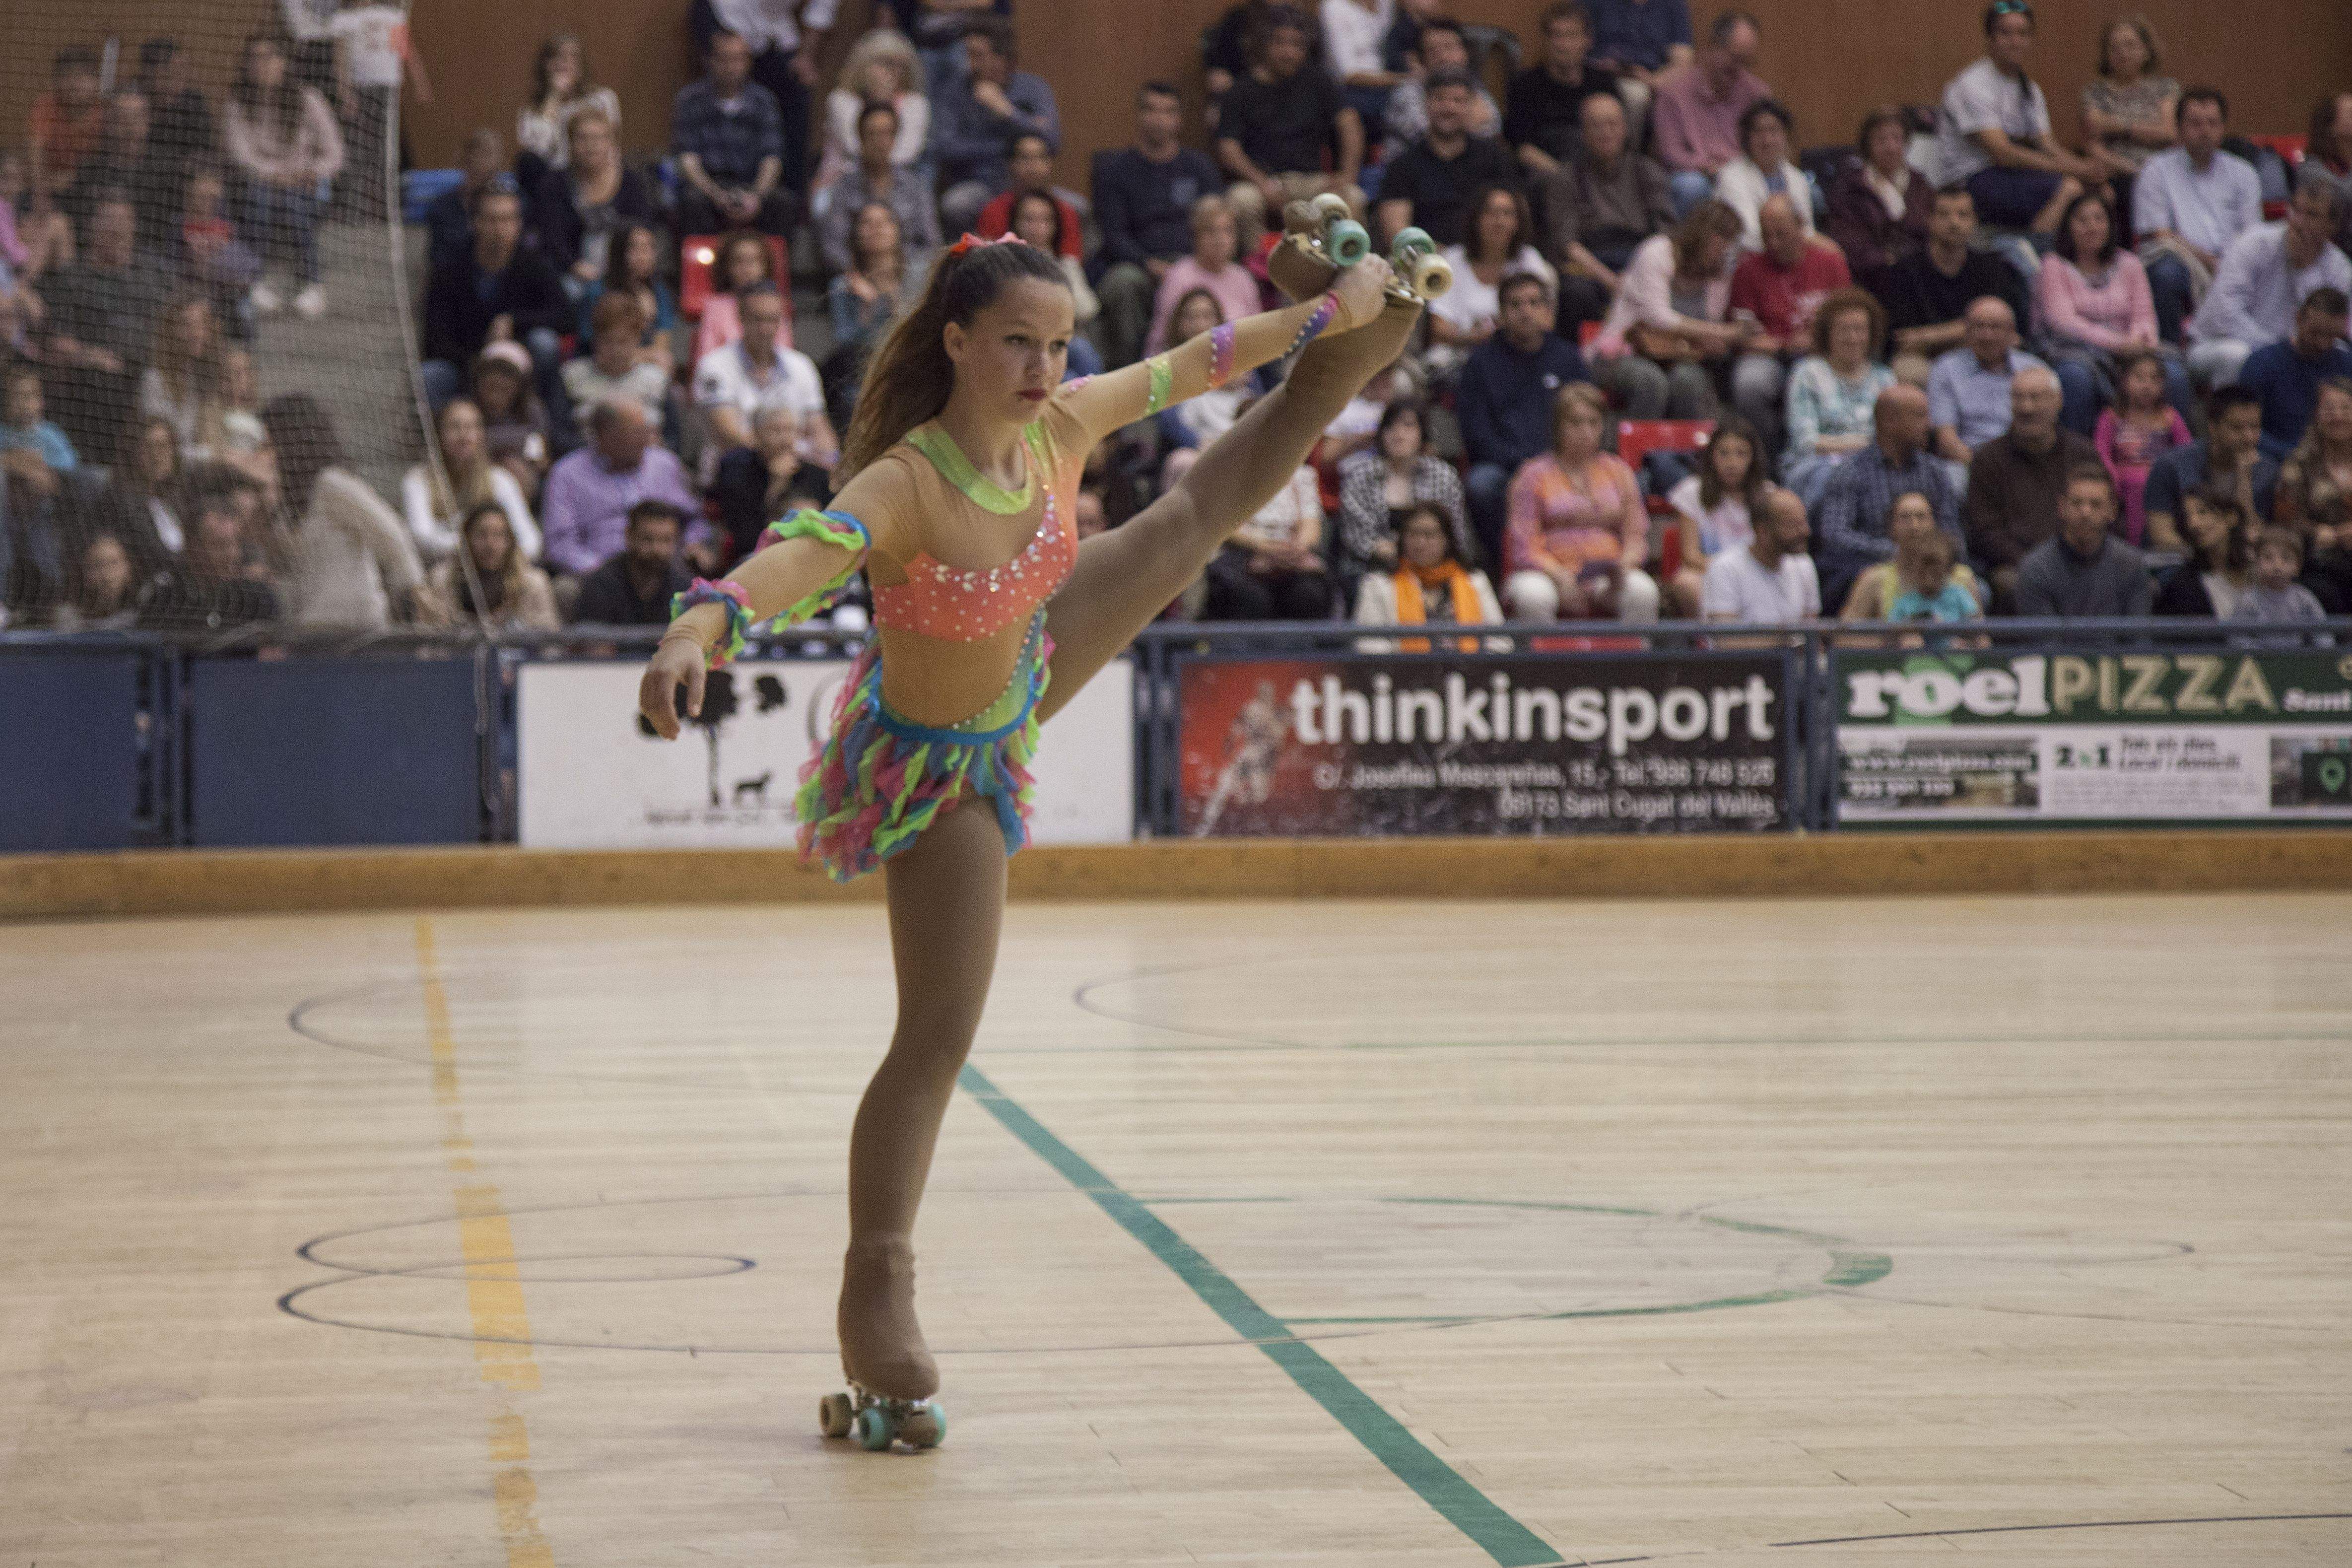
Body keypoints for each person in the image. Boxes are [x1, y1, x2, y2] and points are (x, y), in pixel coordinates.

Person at [638, 230, 1416, 1435]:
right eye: (1017, 342)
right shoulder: (906, 480)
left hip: (1029, 662)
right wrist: (701, 627)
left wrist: (1334, 314)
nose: (1044, 366)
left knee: (1187, 518)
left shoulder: (1061, 427)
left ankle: (1334, 385)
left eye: (1057, 344)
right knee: (940, 1031)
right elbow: (807, 554)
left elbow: (1201, 359)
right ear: (956, 339)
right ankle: (876, 1277)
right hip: (936, 769)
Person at [1926, 0, 2100, 238]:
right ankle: (2033, 254)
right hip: (1971, 180)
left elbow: (2047, 144)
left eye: (2022, 34)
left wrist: (2086, 169)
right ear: (1990, 38)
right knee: (2069, 189)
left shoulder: (2030, 89)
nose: (2014, 41)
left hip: (2011, 175)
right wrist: (2073, 170)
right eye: (2005, 33)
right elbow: (2001, 152)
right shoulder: (1973, 84)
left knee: (2100, 192)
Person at [260, 393, 424, 628]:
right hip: (310, 633)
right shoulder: (284, 503)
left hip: (358, 631)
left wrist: (412, 598)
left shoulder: (331, 484)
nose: (266, 453)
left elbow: (391, 534)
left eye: (271, 443)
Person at [1092, 82, 1225, 370]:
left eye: (1168, 112)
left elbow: (1217, 222)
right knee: (1122, 282)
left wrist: (1192, 264)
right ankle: (1127, 376)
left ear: (1179, 119)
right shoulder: (1115, 169)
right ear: (1139, 116)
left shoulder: (1199, 167)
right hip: (1140, 264)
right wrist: (1148, 264)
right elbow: (1113, 234)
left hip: (1194, 260)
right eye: (1151, 110)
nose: (1159, 120)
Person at [1459, 271, 1589, 568]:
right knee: (1481, 483)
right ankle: (1502, 564)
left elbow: (1589, 415)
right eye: (1516, 305)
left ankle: (1581, 561)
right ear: (1503, 313)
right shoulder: (1480, 363)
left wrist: (1555, 464)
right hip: (1506, 469)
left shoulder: (1567, 358)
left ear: (1547, 311)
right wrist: (1526, 467)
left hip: (1564, 465)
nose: (1526, 312)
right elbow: (1476, 433)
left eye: (1534, 303)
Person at [1502, 382, 1659, 621]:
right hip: (1547, 573)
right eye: (1576, 423)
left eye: (1593, 423)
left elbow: (1636, 534)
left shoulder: (1619, 471)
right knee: (1533, 595)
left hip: (1607, 575)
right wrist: (1560, 577)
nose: (1585, 432)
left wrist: (1623, 567)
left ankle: (1634, 659)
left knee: (1642, 590)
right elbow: (1524, 543)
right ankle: (1538, 660)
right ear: (1558, 428)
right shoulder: (1532, 474)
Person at [34, 192, 168, 468]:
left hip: (152, 374)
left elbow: (172, 324)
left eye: (124, 221)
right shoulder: (73, 278)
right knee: (108, 383)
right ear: (93, 226)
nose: (117, 229)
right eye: (110, 221)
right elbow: (57, 342)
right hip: (97, 385)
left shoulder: (151, 274)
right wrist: (91, 356)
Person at [2035, 188, 2184, 435]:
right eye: (2082, 220)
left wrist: (2140, 342)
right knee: (2075, 377)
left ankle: (2173, 455)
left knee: (2173, 373)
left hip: (2131, 352)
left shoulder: (2129, 263)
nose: (2091, 227)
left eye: (2099, 219)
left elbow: (2144, 315)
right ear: (2068, 227)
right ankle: (2081, 456)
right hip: (2074, 350)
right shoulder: (2053, 265)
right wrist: (2119, 344)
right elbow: (2063, 321)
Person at [1216, 5, 1365, 251]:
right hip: (1261, 181)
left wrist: (1347, 175)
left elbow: (1350, 125)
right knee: (1241, 201)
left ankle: (1342, 275)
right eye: (1280, 43)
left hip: (1313, 181)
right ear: (1264, 44)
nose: (1289, 52)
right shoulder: (1241, 90)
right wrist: (1263, 183)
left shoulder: (1319, 81)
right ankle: (1262, 275)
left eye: (1296, 45)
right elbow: (1228, 148)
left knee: (1353, 197)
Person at [418, 179, 570, 411]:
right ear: (475, 222)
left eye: (508, 219)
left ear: (519, 224)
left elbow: (565, 315)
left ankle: (546, 424)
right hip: (467, 366)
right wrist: (479, 359)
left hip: (521, 366)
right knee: (430, 375)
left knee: (545, 342)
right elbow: (434, 337)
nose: (500, 228)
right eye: (492, 219)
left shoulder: (534, 264)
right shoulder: (451, 269)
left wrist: (513, 321)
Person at [223, 32, 343, 320]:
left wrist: (313, 172)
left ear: (284, 63)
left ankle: (312, 284)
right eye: (254, 59)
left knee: (294, 202)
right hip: (258, 185)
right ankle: (255, 280)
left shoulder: (308, 99)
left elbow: (335, 151)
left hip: (305, 184)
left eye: (269, 57)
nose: (261, 65)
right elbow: (240, 155)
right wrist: (277, 176)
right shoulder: (238, 103)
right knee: (260, 198)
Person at [2186, 183, 2352, 390]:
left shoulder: (2338, 268)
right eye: (2296, 210)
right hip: (2218, 345)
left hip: (2299, 354)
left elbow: (2337, 327)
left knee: (2343, 357)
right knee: (2241, 356)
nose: (2298, 222)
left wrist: (2304, 269)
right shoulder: (2254, 243)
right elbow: (2227, 315)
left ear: (2332, 226)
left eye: (2312, 215)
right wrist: (2278, 351)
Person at [1591, 198, 1744, 420]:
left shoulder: (1719, 275)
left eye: (1729, 244)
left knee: (1689, 381)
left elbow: (1709, 327)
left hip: (1682, 357)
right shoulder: (1657, 251)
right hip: (1624, 351)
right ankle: (1634, 451)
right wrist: (1723, 332)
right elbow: (1657, 317)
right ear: (1703, 235)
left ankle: (1683, 453)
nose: (1725, 251)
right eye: (1721, 241)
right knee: (1650, 382)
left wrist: (1714, 340)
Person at [1815, 384, 1963, 612]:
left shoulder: (1935, 472)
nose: (1929, 425)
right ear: (1888, 422)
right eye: (1919, 416)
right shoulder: (1851, 472)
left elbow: (1952, 532)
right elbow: (1835, 535)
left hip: (1933, 568)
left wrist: (1930, 555)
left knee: (1975, 585)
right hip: (1871, 566)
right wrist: (1894, 553)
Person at [1966, 365, 2101, 609]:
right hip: (2016, 565)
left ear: (2058, 402)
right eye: (2019, 398)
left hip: (2081, 558)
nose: (2026, 408)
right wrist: (2039, 565)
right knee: (2015, 584)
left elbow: (2106, 513)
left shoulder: (2083, 454)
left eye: (2035, 398)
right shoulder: (1988, 459)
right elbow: (1983, 533)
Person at [2133, 87, 2260, 345]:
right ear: (2179, 128)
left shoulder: (2243, 174)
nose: (2205, 132)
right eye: (2195, 124)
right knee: (2165, 272)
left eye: (2213, 124)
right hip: (2181, 261)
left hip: (2233, 262)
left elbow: (2253, 235)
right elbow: (2157, 236)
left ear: (2224, 128)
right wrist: (2208, 261)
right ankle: (2170, 355)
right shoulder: (2156, 170)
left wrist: (2228, 264)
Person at [1873, 184, 2032, 386]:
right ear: (1929, 220)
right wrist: (1968, 331)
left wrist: (1930, 336)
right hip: (1925, 362)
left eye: (1963, 215)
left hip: (1982, 357)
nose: (1954, 223)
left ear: (1974, 222)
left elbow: (2009, 332)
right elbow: (1904, 341)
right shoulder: (1904, 271)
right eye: (1944, 215)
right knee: (1907, 371)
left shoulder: (1994, 269)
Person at [1728, 193, 1852, 449]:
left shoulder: (1831, 263)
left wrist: (1818, 340)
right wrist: (1782, 344)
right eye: (1766, 235)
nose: (1773, 243)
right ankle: (1768, 459)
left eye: (1780, 234)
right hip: (1770, 355)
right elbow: (1742, 335)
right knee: (1750, 383)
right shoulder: (1748, 270)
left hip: (1823, 351)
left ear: (1801, 224)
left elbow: (1850, 319)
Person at [540, 397, 708, 581]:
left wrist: (693, 543)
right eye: (637, 433)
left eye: (647, 431)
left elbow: (694, 519)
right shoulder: (567, 474)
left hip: (664, 565)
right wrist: (604, 573)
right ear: (605, 436)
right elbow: (560, 543)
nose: (646, 440)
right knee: (566, 590)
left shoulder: (664, 464)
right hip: (597, 573)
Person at [688, 0, 836, 207]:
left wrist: (807, 55)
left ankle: (791, 207)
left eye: (738, 60)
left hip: (779, 35)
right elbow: (686, 155)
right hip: (725, 15)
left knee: (783, 128)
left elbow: (822, 7)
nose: (733, 67)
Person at [1542, 91, 1672, 309]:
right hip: (1591, 264)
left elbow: (1665, 235)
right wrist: (1611, 281)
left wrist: (1641, 275)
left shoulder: (1647, 170)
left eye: (1613, 124)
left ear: (1625, 129)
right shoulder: (1565, 178)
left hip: (1640, 259)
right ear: (1583, 132)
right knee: (1575, 293)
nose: (1606, 133)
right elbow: (1567, 244)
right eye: (1597, 126)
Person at [932, 17, 1061, 235]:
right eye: (968, 54)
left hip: (1030, 185)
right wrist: (1004, 148)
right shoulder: (954, 92)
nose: (969, 63)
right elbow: (946, 147)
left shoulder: (1033, 88)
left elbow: (1053, 141)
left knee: (1078, 208)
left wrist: (1008, 112)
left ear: (1001, 58)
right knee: (956, 205)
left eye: (977, 55)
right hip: (979, 182)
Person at [1374, 70, 1520, 253]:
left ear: (1471, 106)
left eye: (1458, 101)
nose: (1449, 108)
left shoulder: (1495, 158)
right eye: (1440, 99)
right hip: (1427, 264)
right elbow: (1397, 233)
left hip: (1486, 261)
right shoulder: (1403, 165)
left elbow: (1511, 218)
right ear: (1426, 104)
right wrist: (1445, 259)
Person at [672, 29, 796, 240]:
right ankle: (698, 272)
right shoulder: (690, 100)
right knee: (690, 203)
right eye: (724, 59)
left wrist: (756, 196)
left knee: (783, 202)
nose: (731, 67)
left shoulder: (764, 101)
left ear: (748, 62)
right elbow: (687, 160)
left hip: (752, 184)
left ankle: (774, 271)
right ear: (710, 61)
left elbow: (772, 159)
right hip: (709, 187)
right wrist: (716, 195)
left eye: (738, 59)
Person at [1427, 185, 1561, 378]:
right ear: (1476, 219)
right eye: (1491, 213)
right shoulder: (1452, 260)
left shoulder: (1530, 260)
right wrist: (1478, 337)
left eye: (1508, 214)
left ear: (1518, 222)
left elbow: (1546, 323)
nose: (1500, 222)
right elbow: (1438, 330)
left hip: (1520, 357)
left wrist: (1502, 337)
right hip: (1461, 359)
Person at [1782, 288, 1897, 507]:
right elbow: (1806, 442)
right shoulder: (1807, 374)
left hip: (1874, 469)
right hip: (1817, 467)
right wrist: (1865, 447)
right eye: (1844, 329)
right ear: (1828, 334)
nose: (1853, 338)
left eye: (1860, 329)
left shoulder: (1885, 379)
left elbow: (1891, 441)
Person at [694, 281, 832, 462]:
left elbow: (819, 429)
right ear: (741, 318)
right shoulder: (714, 366)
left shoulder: (802, 365)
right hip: (736, 473)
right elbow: (729, 434)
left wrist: (832, 462)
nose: (766, 329)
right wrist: (782, 457)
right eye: (757, 319)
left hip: (796, 469)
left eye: (773, 320)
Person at [1336, 398, 1471, 581]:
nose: (1399, 435)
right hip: (1373, 568)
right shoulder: (1361, 477)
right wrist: (1396, 551)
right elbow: (1356, 538)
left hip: (1435, 565)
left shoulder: (1444, 476)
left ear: (1422, 434)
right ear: (1381, 435)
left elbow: (1456, 532)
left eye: (1408, 426)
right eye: (1390, 427)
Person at [529, 108, 656, 301]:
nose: (591, 146)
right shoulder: (553, 184)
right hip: (572, 272)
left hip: (625, 272)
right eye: (583, 138)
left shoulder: (632, 182)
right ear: (570, 143)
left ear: (612, 143)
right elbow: (550, 236)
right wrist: (575, 266)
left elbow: (642, 230)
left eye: (599, 138)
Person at [1651, 10, 1769, 217]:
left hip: (1746, 173)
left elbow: (1767, 143)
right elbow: (1671, 155)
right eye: (1734, 59)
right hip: (1701, 175)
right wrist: (1711, 169)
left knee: (1810, 192)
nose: (1739, 70)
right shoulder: (1673, 94)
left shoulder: (1757, 94)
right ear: (1712, 48)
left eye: (1746, 62)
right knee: (1691, 187)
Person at [402, 396, 540, 565]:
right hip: (444, 570)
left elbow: (531, 542)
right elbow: (422, 538)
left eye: (471, 428)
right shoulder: (417, 480)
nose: (463, 436)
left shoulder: (500, 479)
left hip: (496, 571)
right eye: (454, 427)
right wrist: (480, 549)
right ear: (439, 435)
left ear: (481, 435)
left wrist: (499, 555)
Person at [2144, 384, 2278, 554]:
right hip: (2183, 562)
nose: (2248, 437)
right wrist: (2206, 560)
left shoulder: (2267, 471)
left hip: (2241, 563)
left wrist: (2245, 483)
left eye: (2254, 427)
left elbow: (2263, 537)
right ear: (2213, 428)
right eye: (2237, 428)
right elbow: (2161, 533)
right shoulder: (2171, 466)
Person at [1503, 3, 1624, 186]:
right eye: (1557, 36)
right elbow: (1523, 149)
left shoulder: (1604, 82)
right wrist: (1565, 178)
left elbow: (1619, 135)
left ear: (1588, 40)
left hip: (1600, 170)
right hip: (1548, 174)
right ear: (1546, 41)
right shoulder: (1524, 85)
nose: (1564, 45)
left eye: (1572, 36)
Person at [138, 482, 282, 633]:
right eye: (220, 546)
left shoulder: (255, 598)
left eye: (236, 544)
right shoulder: (166, 599)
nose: (232, 555)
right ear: (193, 548)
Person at [1352, 501, 1503, 643]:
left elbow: (1499, 641)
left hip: (1469, 667)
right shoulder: (1378, 585)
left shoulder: (1476, 582)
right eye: (1413, 534)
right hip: (1401, 668)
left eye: (1429, 534)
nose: (1421, 543)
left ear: (1447, 540)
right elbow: (1370, 645)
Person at [819, 102, 941, 276]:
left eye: (887, 133)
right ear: (860, 137)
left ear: (895, 138)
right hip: (859, 276)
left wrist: (897, 269)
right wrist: (854, 275)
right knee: (840, 286)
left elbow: (932, 242)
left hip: (908, 274)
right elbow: (833, 244)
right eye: (872, 133)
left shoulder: (915, 187)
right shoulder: (844, 187)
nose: (880, 141)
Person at [2013, 465, 2151, 617]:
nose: (2085, 513)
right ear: (2062, 507)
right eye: (2077, 503)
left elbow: (2139, 637)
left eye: (2096, 504)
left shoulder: (2132, 565)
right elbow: (2044, 640)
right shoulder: (2036, 568)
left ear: (2112, 510)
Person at [1204, 454, 1330, 619]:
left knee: (1310, 593)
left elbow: (1311, 527)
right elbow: (1223, 526)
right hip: (1243, 552)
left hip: (1291, 555)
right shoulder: (1231, 473)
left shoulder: (1303, 474)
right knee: (1250, 597)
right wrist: (1263, 547)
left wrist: (1296, 548)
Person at [814, 28, 928, 207]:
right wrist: (878, 100)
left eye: (900, 65)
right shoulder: (840, 100)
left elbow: (907, 154)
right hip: (842, 181)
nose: (893, 72)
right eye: (885, 63)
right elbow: (854, 146)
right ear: (863, 65)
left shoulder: (915, 103)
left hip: (896, 183)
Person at [1665, 414, 1767, 613]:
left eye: (1741, 454)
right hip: (1707, 572)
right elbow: (1691, 556)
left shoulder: (1767, 495)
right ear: (1712, 457)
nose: (1732, 463)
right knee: (1686, 583)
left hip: (1755, 574)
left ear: (1753, 459)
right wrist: (1728, 575)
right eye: (1724, 453)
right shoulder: (1691, 492)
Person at [1927, 296, 2047, 465]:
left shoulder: (2034, 369)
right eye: (1979, 327)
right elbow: (1946, 440)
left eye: (1995, 327)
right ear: (1967, 331)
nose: (1987, 335)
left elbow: (2045, 430)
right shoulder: (1946, 369)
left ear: (2012, 332)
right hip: (1966, 462)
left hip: (2024, 462)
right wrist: (1984, 472)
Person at [2237, 289, 2352, 459]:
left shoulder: (2346, 365)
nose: (2322, 343)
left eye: (2331, 336)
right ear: (2299, 319)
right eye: (2316, 333)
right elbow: (2244, 426)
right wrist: (2292, 454)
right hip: (2276, 458)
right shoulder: (2263, 364)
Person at [2094, 349, 2192, 547]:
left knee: (2149, 482)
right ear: (2124, 381)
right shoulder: (2112, 416)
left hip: (2162, 478)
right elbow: (2101, 452)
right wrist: (2112, 477)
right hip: (2123, 481)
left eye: (2154, 380)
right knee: (2137, 481)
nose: (2147, 386)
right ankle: (2134, 546)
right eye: (2139, 378)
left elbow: (2187, 452)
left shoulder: (2170, 417)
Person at [713, 406, 832, 566]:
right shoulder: (737, 473)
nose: (784, 439)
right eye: (776, 431)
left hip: (811, 560)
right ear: (757, 435)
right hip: (756, 561)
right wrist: (776, 484)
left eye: (790, 430)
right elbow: (747, 538)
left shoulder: (817, 475)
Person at [829, 203, 924, 405]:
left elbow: (922, 333)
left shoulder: (918, 278)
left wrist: (892, 302)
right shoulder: (844, 286)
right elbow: (845, 343)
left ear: (898, 230)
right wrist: (868, 308)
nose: (876, 227)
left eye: (885, 221)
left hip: (913, 372)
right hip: (865, 380)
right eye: (867, 223)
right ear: (856, 234)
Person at [1839, 489, 1983, 621]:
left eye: (1921, 517)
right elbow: (1843, 639)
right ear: (1892, 527)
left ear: (1934, 523)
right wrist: (1894, 642)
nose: (1914, 526)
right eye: (1905, 518)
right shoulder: (1873, 579)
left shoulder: (1963, 577)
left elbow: (1982, 640)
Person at [1826, 107, 1935, 281]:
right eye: (1881, 140)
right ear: (1868, 146)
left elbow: (1929, 234)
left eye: (1896, 138)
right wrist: (1888, 260)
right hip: (1870, 276)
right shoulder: (1850, 188)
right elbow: (1850, 241)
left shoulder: (1920, 185)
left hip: (1919, 275)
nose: (1890, 147)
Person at [1145, 196, 1263, 357]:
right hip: (1188, 366)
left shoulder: (1244, 279)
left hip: (1240, 369)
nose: (1220, 240)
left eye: (1227, 231)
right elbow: (1161, 342)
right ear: (1197, 235)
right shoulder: (1178, 277)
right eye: (1211, 231)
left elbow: (1257, 338)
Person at [419, 499, 560, 630]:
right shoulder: (443, 581)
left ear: (510, 541)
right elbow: (431, 644)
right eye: (481, 535)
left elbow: (548, 644)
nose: (490, 545)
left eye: (498, 535)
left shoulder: (533, 584)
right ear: (467, 539)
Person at [2080, 15, 2177, 191]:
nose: (2123, 53)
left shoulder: (2165, 88)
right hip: (2118, 174)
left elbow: (2168, 132)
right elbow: (2093, 144)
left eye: (2130, 45)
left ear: (2146, 51)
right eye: (2114, 48)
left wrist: (2119, 127)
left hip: (2162, 172)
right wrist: (2134, 170)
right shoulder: (2096, 93)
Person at [1009, 193, 1101, 375]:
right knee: (1068, 378)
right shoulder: (1005, 265)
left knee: (1082, 351)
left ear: (1055, 226)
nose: (1037, 228)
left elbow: (1088, 310)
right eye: (1029, 219)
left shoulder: (1065, 264)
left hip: (1061, 341)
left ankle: (1101, 401)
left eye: (1045, 220)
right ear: (1016, 223)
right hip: (1021, 343)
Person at [514, 33, 621, 190]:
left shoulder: (602, 98)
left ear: (581, 65)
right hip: (554, 182)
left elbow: (611, 144)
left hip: (595, 174)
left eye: (572, 58)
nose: (564, 64)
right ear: (545, 65)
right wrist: (554, 97)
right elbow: (538, 152)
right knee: (527, 162)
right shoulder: (532, 112)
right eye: (557, 57)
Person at [570, 498, 699, 625]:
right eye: (648, 539)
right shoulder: (602, 585)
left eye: (666, 540)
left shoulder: (685, 589)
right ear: (629, 536)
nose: (657, 549)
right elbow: (594, 643)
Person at [1700, 484, 1817, 624]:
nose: (1805, 531)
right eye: (1793, 525)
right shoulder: (1725, 569)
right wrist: (1788, 642)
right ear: (1762, 531)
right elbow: (1727, 641)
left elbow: (1811, 635)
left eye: (1804, 522)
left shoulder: (1804, 564)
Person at [563, 292, 675, 433]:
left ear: (637, 340)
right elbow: (561, 434)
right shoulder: (572, 376)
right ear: (595, 341)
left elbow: (672, 439)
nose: (616, 350)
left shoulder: (657, 379)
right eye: (608, 341)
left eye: (623, 341)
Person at [1713, 99, 1813, 251]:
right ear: (1747, 139)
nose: (1767, 141)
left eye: (1774, 131)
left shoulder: (1797, 178)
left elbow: (1807, 230)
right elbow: (1749, 236)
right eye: (1758, 132)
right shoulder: (1731, 177)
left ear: (1786, 136)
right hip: (1747, 260)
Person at [1384, 18, 1500, 148]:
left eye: (1449, 48)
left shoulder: (1474, 87)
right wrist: (1469, 124)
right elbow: (1430, 138)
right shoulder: (1407, 92)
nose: (1443, 57)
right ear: (1422, 60)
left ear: (1465, 53)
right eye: (1433, 51)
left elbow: (1493, 128)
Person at [1586, 0, 1692, 140]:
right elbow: (1576, 42)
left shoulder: (1673, 5)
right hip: (1600, 75)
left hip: (1652, 79)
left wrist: (1650, 80)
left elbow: (1682, 64)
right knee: (1635, 94)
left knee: (1640, 94)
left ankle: (1629, 154)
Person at [577, 223, 677, 370]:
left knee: (665, 361)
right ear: (619, 251)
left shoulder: (659, 291)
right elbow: (593, 344)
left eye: (649, 248)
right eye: (635, 248)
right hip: (599, 363)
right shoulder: (597, 291)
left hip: (642, 363)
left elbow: (662, 343)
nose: (644, 255)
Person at [2150, 480, 2251, 617]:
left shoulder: (2261, 571)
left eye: (2203, 512)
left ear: (2231, 518)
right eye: (2188, 517)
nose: (2194, 524)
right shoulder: (2181, 588)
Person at [976, 134, 1084, 261]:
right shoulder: (994, 212)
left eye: (1040, 158)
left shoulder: (1066, 211)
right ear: (1012, 164)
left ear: (1050, 163)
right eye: (1025, 159)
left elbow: (1071, 260)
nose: (1034, 167)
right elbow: (986, 261)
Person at [139, 293, 225, 453]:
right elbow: (162, 452)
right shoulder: (155, 379)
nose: (197, 334)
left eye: (203, 326)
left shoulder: (203, 377)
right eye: (188, 326)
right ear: (170, 330)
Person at [2274, 379, 2352, 549]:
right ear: (2316, 415)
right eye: (2330, 409)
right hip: (2316, 559)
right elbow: (2284, 520)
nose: (2338, 416)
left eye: (2346, 408)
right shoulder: (2298, 464)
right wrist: (2314, 532)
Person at [693, 231, 791, 365]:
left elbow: (785, 355)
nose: (747, 268)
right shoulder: (714, 307)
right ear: (727, 267)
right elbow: (706, 358)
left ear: (766, 266)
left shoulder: (775, 304)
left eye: (754, 261)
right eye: (739, 261)